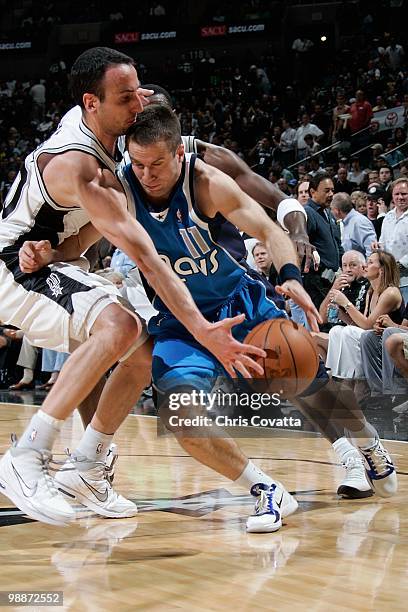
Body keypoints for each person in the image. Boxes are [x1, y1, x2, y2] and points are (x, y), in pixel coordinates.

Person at [0, 47, 266, 527]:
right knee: (119, 324)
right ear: (92, 103)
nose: (139, 104)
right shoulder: (83, 167)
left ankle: (87, 469)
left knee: (139, 351)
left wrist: (54, 252)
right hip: (9, 267)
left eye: (139, 91)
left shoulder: (103, 129)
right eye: (127, 97)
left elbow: (73, 235)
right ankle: (26, 456)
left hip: (39, 258)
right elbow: (147, 256)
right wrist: (204, 331)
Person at [123, 105, 397, 516]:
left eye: (156, 163)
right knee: (181, 416)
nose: (147, 174)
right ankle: (268, 489)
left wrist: (290, 275)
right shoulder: (117, 187)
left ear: (178, 151)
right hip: (183, 319)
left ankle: (366, 442)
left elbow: (270, 227)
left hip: (239, 299)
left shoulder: (208, 177)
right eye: (138, 163)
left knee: (305, 379)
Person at [326, 251, 403, 384]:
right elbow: (362, 326)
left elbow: (367, 325)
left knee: (348, 332)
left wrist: (346, 303)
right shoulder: (370, 291)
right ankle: (338, 376)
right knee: (336, 330)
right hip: (371, 337)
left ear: (382, 269)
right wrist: (342, 315)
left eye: (370, 262)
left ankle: (357, 379)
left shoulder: (390, 292)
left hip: (385, 341)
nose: (365, 266)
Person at [373, 178, 408, 302]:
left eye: (404, 194)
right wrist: (377, 247)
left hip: (406, 281)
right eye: (396, 194)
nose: (400, 197)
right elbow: (383, 241)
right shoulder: (388, 217)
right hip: (388, 281)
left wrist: (398, 265)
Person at [330, 192, 377, 257]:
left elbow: (372, 250)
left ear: (337, 211)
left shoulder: (359, 222)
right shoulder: (346, 222)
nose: (331, 212)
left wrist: (367, 266)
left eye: (331, 209)